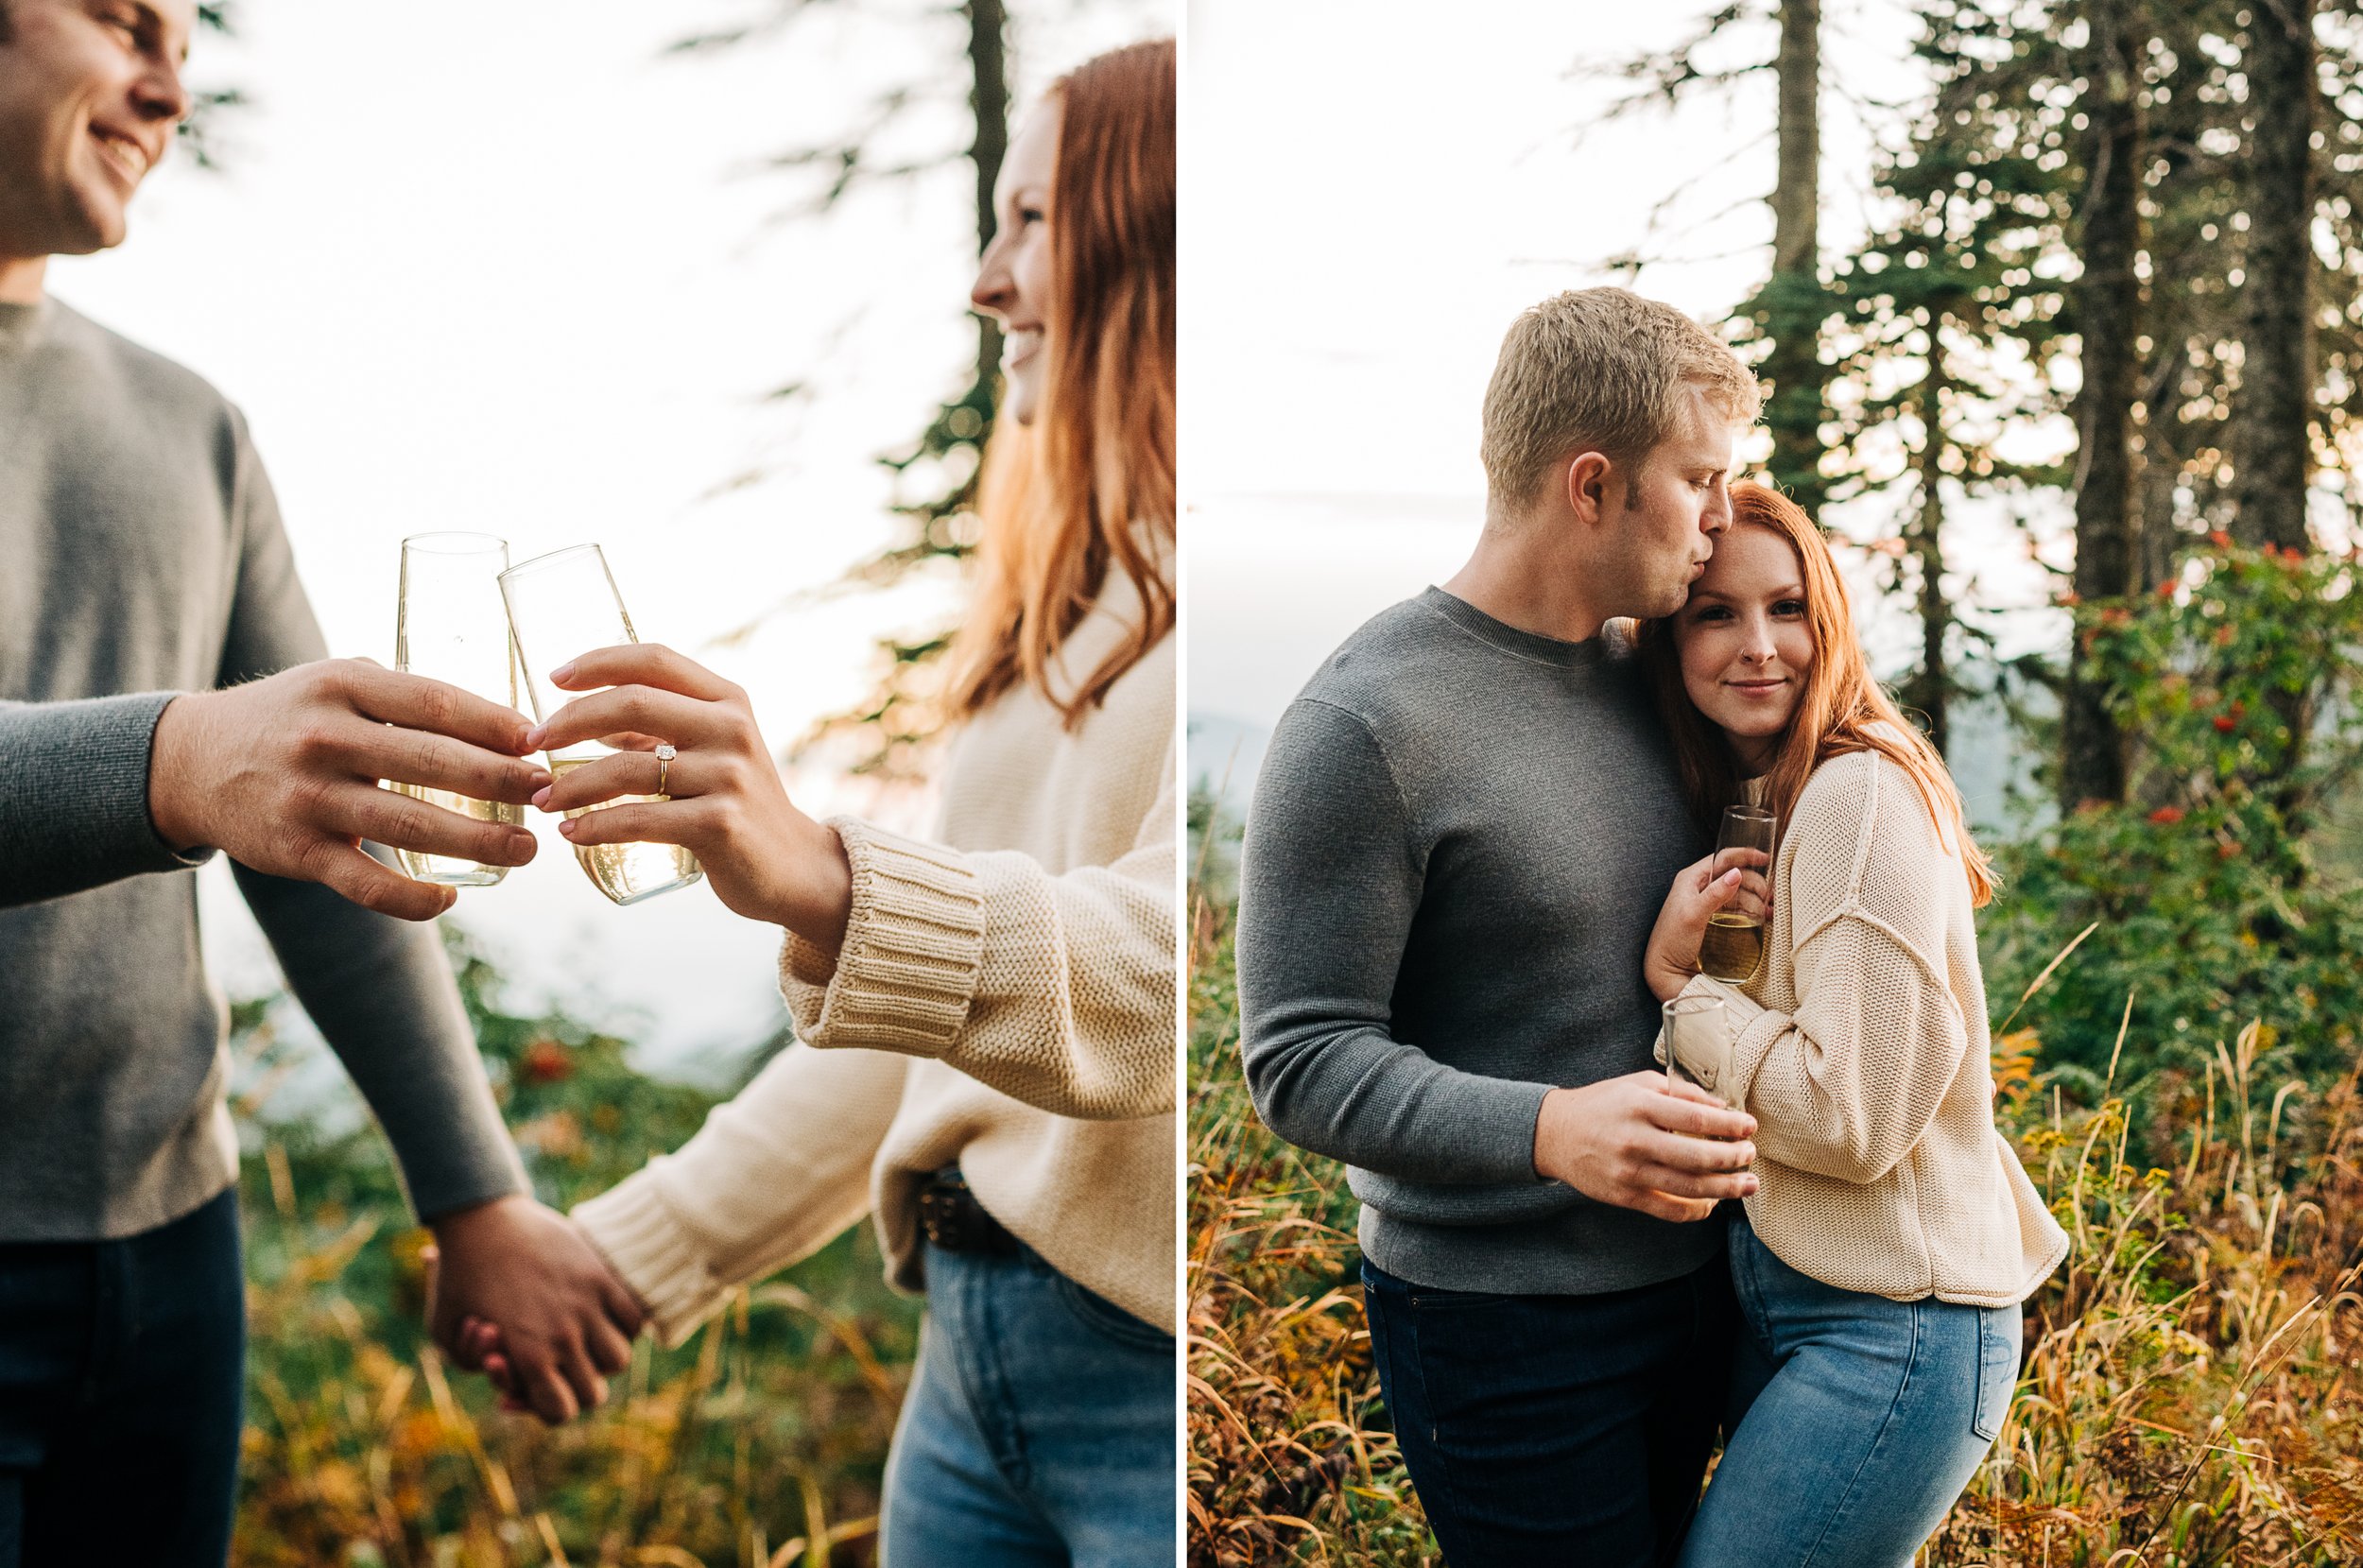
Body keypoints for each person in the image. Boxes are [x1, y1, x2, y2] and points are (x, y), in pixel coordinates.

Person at [459, 38, 1180, 1568]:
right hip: (968, 1363)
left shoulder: (1215, 642)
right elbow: (941, 1017)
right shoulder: (1055, 622)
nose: (990, 280)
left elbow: (1185, 975)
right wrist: (627, 1256)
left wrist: (836, 879)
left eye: (1034, 221)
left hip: (1149, 1383)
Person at [0, 4, 645, 1561]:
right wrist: (175, 759)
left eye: (183, 39)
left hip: (168, 1259)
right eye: (121, 18)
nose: (168, 82)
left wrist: (475, 1194)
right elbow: (216, 771)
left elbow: (311, 830)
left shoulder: (188, 426)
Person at [1235, 286, 1768, 1567]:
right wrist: (1551, 1126)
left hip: (1716, 1294)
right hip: (1501, 1334)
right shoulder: (1367, 725)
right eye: (1699, 477)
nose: (1724, 515)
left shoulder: (1662, 673)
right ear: (1592, 485)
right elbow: (1299, 1059)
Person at [1636, 482, 2069, 1566]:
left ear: (1828, 619)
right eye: (1714, 614)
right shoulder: (1765, 793)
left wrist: (1678, 996)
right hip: (1798, 1302)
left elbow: (1851, 1118)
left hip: (1897, 1326)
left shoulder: (1853, 793)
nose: (1758, 646)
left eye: (1787, 609)